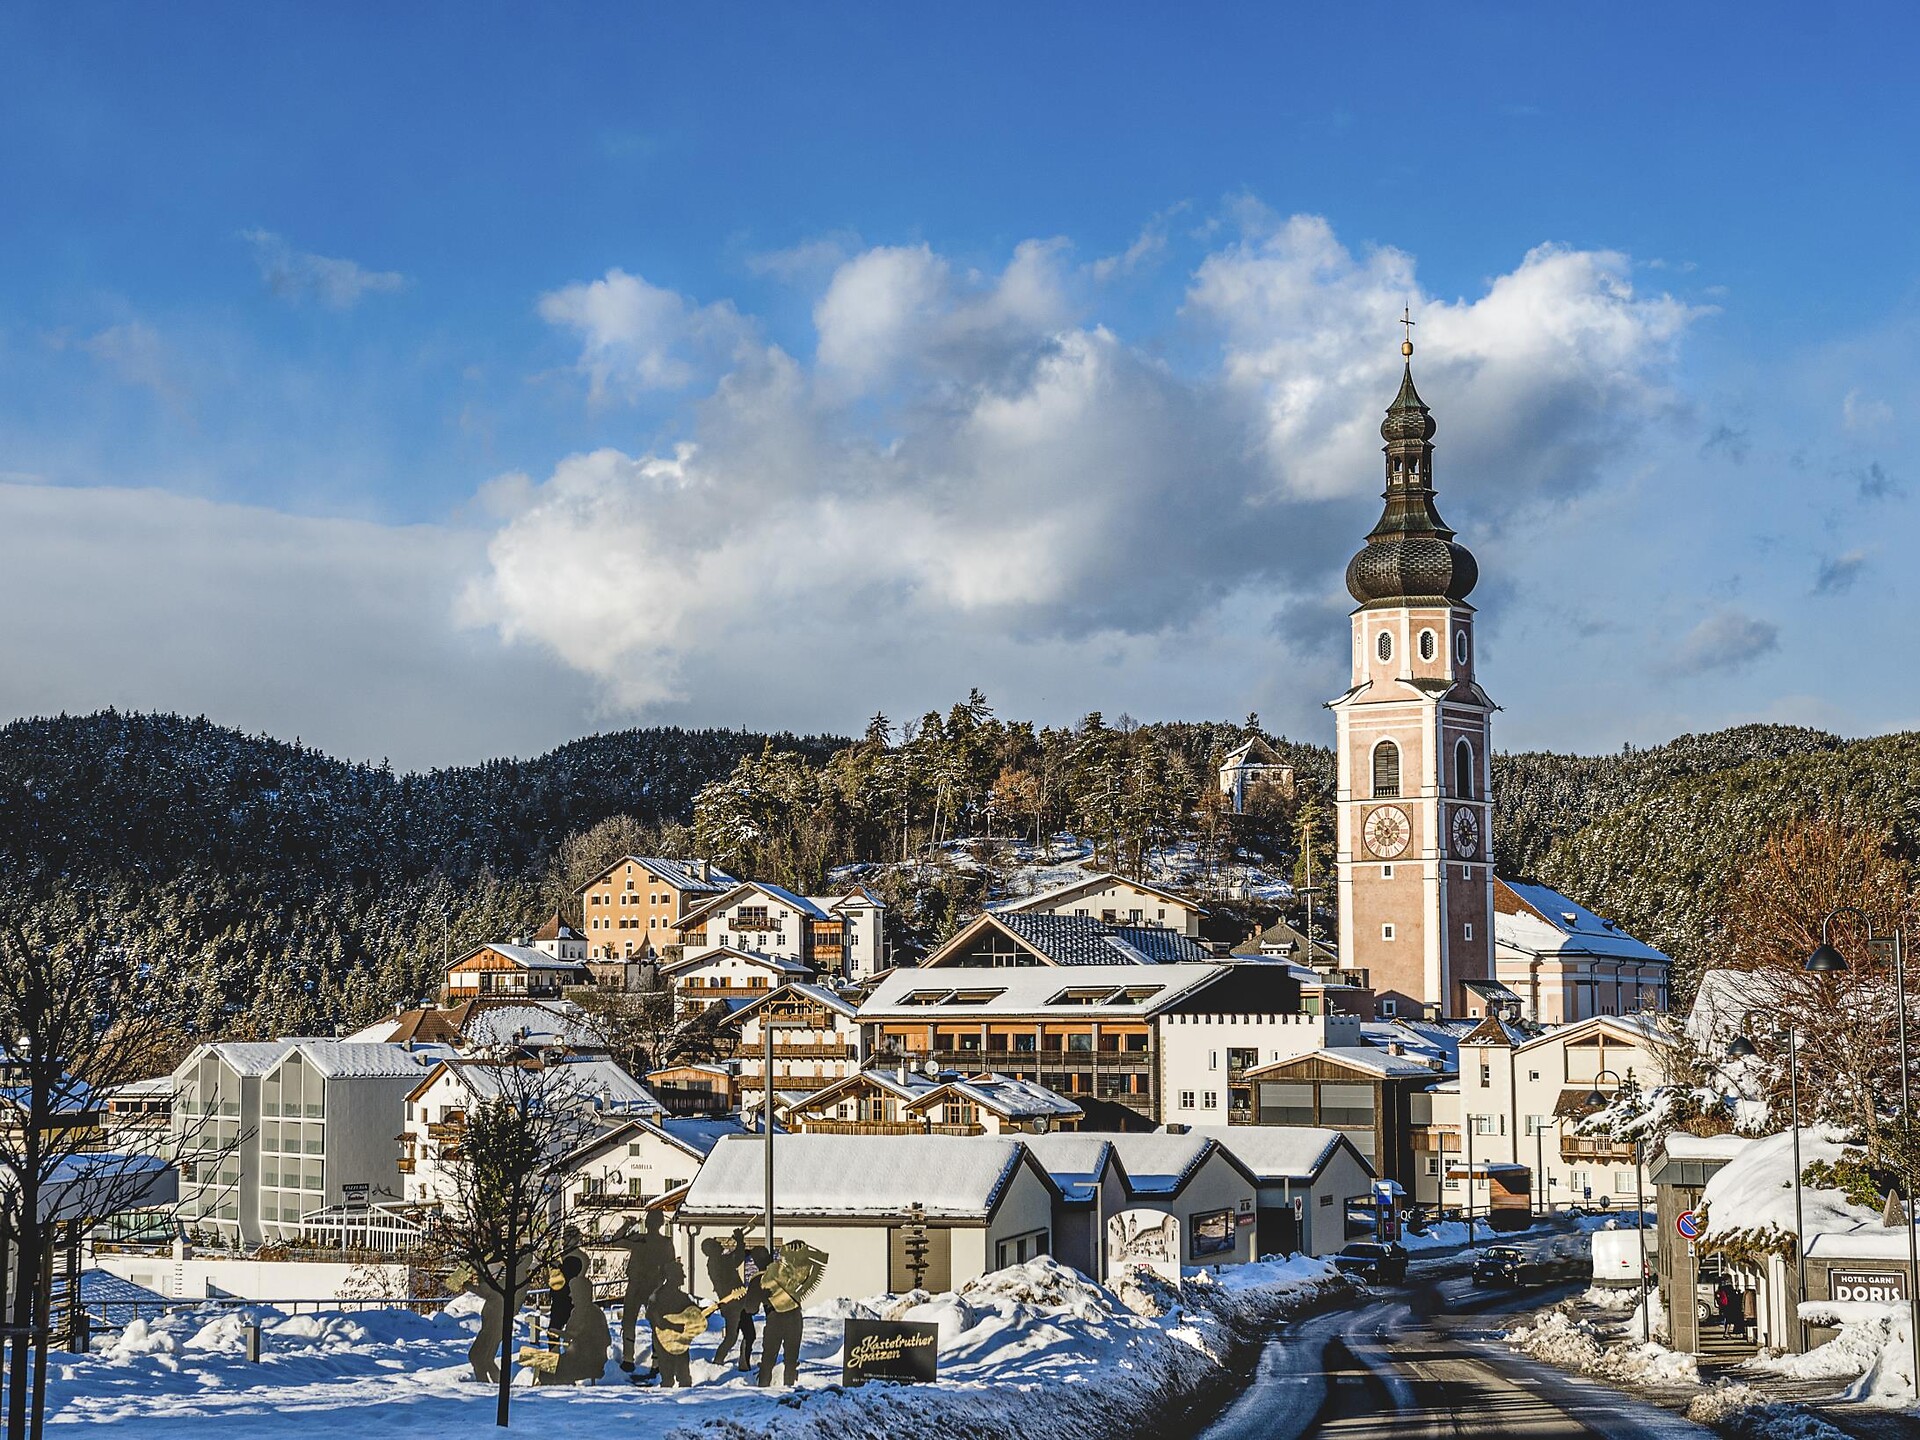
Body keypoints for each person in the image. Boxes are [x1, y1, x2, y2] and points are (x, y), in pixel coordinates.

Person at [613, 1211, 675, 1379]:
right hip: (645, 1285)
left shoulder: (643, 1239)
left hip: (648, 1285)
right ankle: (649, 1361)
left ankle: (634, 1359)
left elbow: (616, 1240)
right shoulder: (656, 1241)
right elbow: (671, 1266)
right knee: (644, 1323)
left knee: (637, 1322)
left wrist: (627, 1225)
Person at [706, 1230, 758, 1372]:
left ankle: (742, 1363)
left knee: (746, 1335)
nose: (720, 1245)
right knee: (733, 1337)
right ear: (712, 1249)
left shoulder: (716, 1262)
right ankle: (718, 1363)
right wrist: (739, 1241)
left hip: (737, 1303)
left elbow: (735, 1257)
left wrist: (739, 1243)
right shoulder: (718, 1262)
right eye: (716, 1244)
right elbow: (737, 1257)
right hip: (733, 1305)